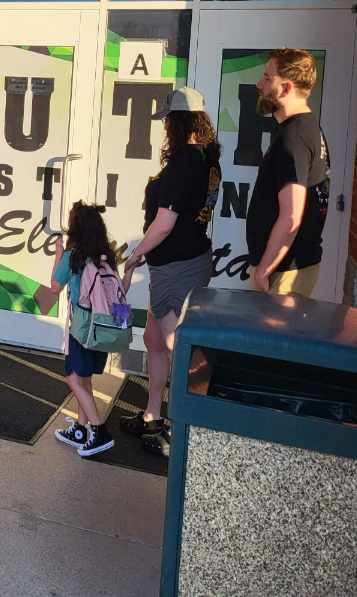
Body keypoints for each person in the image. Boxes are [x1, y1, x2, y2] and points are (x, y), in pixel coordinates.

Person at [120, 87, 222, 458]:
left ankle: (185, 435)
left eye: (168, 122)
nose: (165, 128)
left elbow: (164, 223)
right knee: (153, 338)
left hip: (178, 268)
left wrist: (135, 257)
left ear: (177, 123)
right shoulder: (207, 157)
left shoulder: (186, 161)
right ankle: (153, 416)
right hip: (181, 263)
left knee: (175, 347)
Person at [246, 47, 331, 298]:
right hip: (288, 268)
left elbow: (292, 216)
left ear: (286, 88)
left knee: (267, 326)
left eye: (267, 78)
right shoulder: (305, 128)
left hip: (283, 274)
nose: (259, 85)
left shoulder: (294, 138)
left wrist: (263, 271)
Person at [51, 201, 117, 458]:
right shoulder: (106, 258)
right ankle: (80, 429)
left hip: (80, 329)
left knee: (73, 378)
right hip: (101, 328)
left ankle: (99, 431)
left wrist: (58, 254)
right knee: (85, 378)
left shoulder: (73, 257)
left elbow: (54, 288)